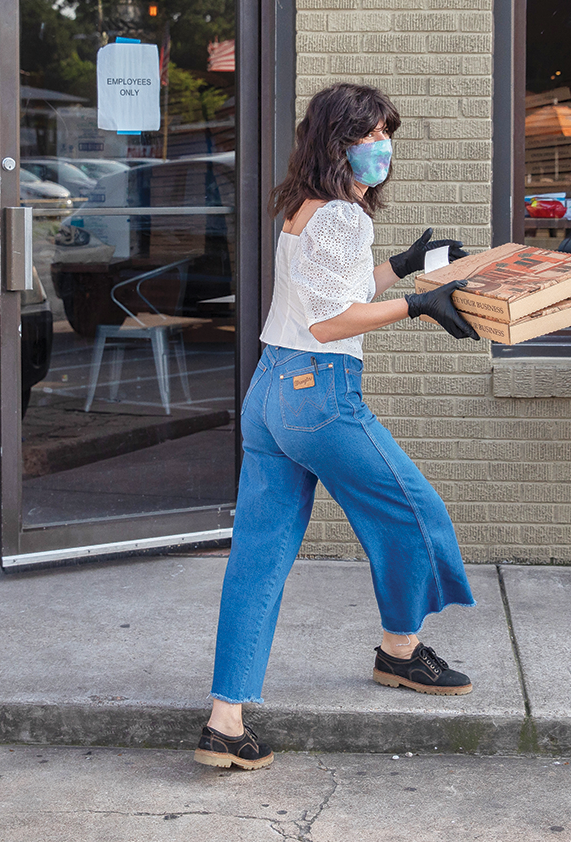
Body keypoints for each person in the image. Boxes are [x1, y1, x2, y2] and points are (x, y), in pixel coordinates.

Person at [194, 83, 481, 771]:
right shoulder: (342, 219)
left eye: (388, 133)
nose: (384, 148)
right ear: (337, 142)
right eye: (370, 135)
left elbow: (335, 293)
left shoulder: (305, 207)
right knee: (416, 514)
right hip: (319, 396)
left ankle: (224, 723)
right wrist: (419, 305)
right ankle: (401, 652)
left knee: (257, 558)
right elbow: (332, 323)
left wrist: (402, 268)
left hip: (270, 394)